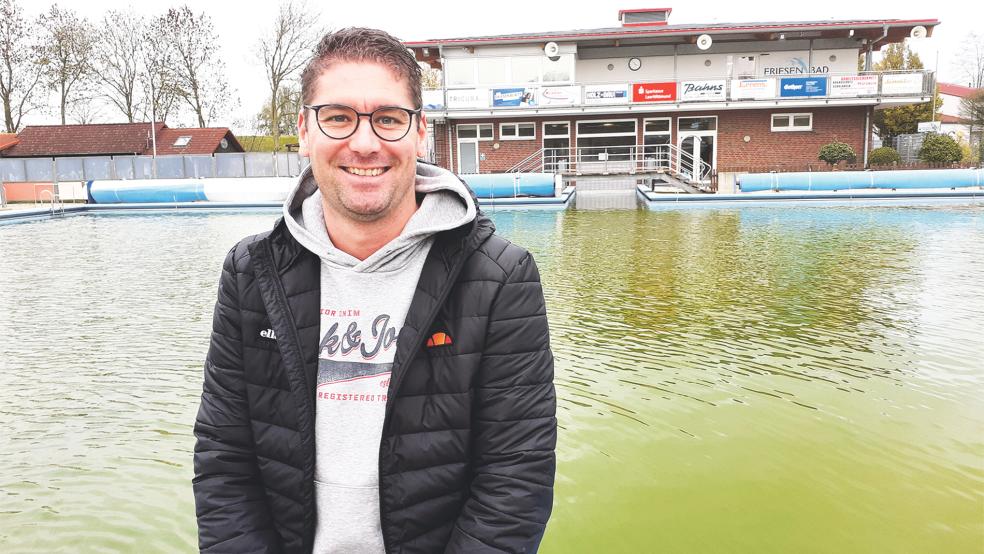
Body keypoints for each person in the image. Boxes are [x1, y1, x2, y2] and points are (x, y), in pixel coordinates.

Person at [193, 27, 556, 553]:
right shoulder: (251, 271)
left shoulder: (500, 277)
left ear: (420, 132)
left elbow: (514, 477)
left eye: (388, 118)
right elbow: (224, 458)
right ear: (304, 130)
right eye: (338, 117)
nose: (364, 143)